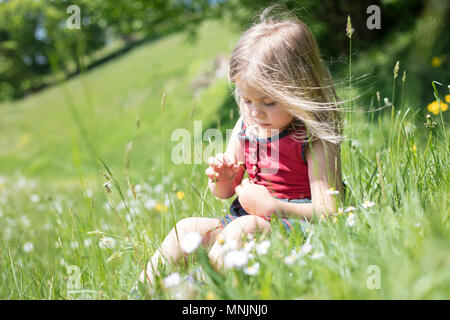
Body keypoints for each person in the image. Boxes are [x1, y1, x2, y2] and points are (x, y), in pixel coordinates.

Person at [138, 5, 345, 286]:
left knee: (244, 228)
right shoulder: (246, 127)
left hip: (296, 229)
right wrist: (223, 179)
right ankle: (141, 292)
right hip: (243, 219)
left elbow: (330, 212)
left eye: (268, 102)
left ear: (300, 88)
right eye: (248, 101)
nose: (255, 112)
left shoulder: (313, 137)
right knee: (184, 229)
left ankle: (202, 293)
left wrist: (271, 207)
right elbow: (224, 193)